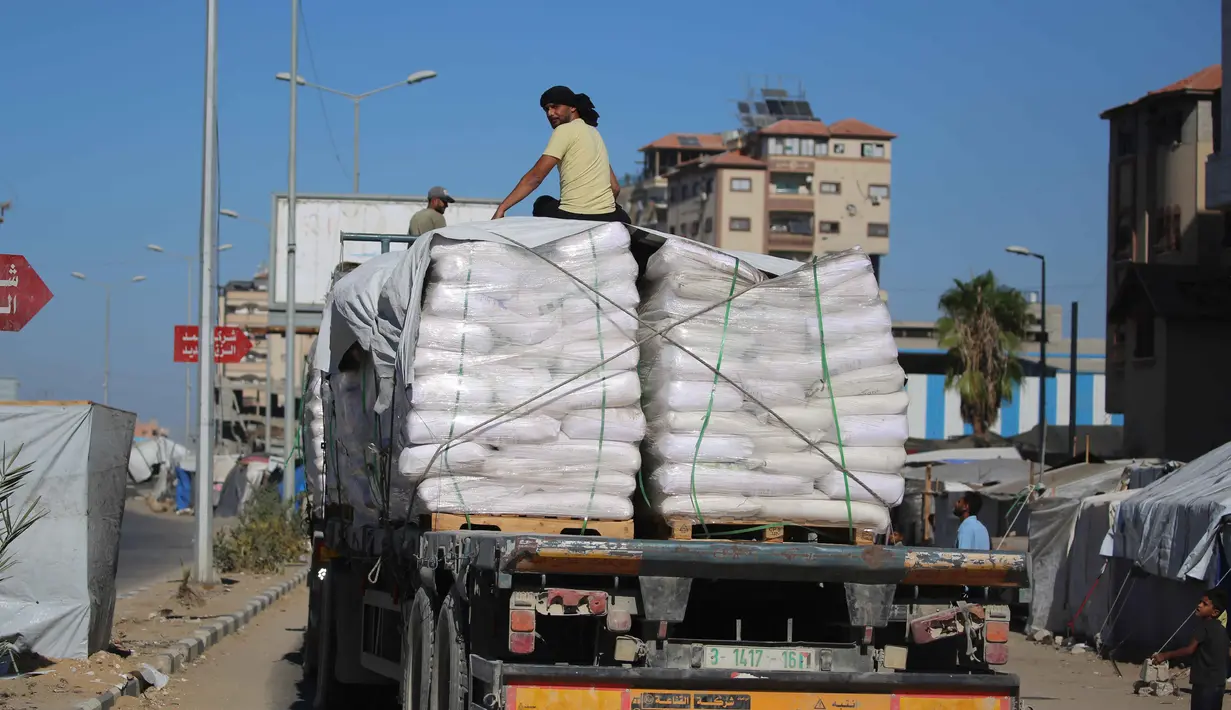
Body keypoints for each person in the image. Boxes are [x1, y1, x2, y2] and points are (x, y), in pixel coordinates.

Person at [493, 86, 630, 223]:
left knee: (542, 203)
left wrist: (502, 208)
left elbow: (535, 177)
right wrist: (599, 210)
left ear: (572, 107)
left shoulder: (564, 130)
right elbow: (615, 187)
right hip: (607, 217)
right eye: (546, 109)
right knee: (624, 217)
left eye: (555, 107)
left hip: (574, 216)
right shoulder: (594, 133)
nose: (550, 113)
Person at [1151, 589, 1229, 710]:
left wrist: (1164, 656)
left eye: (1205, 604)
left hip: (1203, 683)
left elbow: (1189, 650)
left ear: (1215, 612)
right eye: (1200, 602)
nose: (1199, 605)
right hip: (1218, 683)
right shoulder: (1221, 630)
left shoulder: (1203, 627)